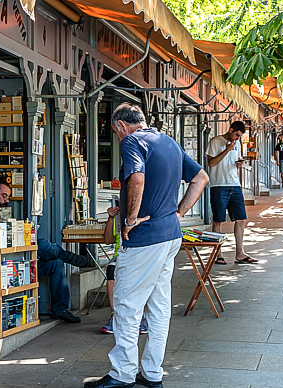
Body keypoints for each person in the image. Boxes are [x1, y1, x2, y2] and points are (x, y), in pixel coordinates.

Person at [85, 104, 208, 388]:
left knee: (127, 306)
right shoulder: (168, 141)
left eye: (117, 133)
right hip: (170, 234)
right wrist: (179, 213)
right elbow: (201, 178)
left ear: (120, 127)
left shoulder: (131, 141)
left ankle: (122, 374)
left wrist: (129, 218)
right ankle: (152, 373)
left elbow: (136, 177)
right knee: (159, 307)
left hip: (145, 239)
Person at [0, 181, 93, 324]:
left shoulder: (4, 212)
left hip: (21, 259)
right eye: (4, 196)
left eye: (8, 197)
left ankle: (60, 310)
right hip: (4, 264)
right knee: (42, 245)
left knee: (56, 263)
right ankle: (68, 256)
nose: (6, 200)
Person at [206, 121, 256, 265]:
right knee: (218, 221)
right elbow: (211, 163)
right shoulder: (215, 141)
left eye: (239, 136)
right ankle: (218, 254)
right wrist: (227, 150)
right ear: (231, 129)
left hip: (234, 184)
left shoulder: (238, 144)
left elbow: (234, 162)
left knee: (241, 219)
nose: (237, 139)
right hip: (218, 185)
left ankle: (240, 253)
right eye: (236, 135)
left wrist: (239, 164)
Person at [99, 204, 146, 336]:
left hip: (140, 255)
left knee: (140, 274)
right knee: (111, 271)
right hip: (120, 256)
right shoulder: (119, 216)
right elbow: (107, 240)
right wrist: (110, 218)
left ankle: (140, 316)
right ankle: (115, 315)